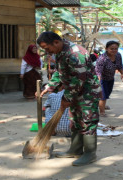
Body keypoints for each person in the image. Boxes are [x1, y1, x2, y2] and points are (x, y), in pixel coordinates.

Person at [37, 31, 101, 166]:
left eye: (47, 48)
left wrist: (67, 97)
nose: (47, 51)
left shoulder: (75, 53)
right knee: (76, 119)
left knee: (87, 121)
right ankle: (76, 149)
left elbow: (79, 79)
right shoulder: (60, 52)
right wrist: (49, 86)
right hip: (75, 92)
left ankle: (90, 153)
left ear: (56, 42)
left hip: (87, 92)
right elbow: (60, 73)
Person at [95, 41, 123, 117]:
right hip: (101, 78)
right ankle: (102, 112)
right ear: (106, 49)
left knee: (107, 93)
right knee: (103, 96)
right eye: (112, 49)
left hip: (110, 78)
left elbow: (120, 65)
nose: (114, 50)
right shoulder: (102, 58)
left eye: (116, 49)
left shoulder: (118, 55)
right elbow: (98, 72)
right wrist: (98, 83)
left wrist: (122, 74)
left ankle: (102, 105)